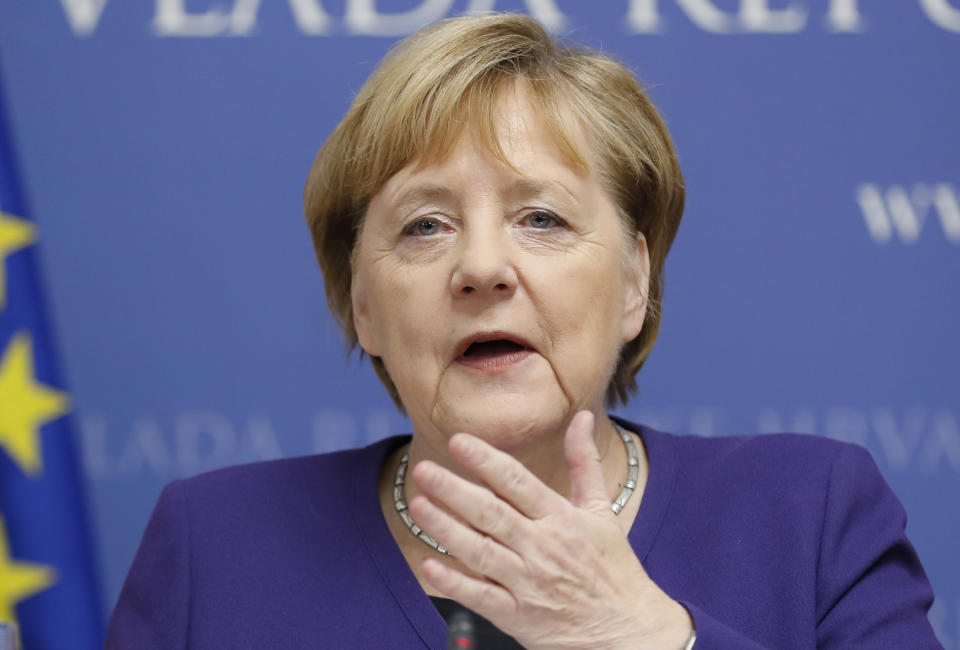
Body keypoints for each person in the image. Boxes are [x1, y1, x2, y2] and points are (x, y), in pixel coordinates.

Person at [105, 13, 941, 649]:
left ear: (633, 283)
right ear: (363, 305)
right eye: (424, 227)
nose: (481, 267)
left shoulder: (809, 513)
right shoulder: (212, 544)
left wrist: (645, 639)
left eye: (541, 218)